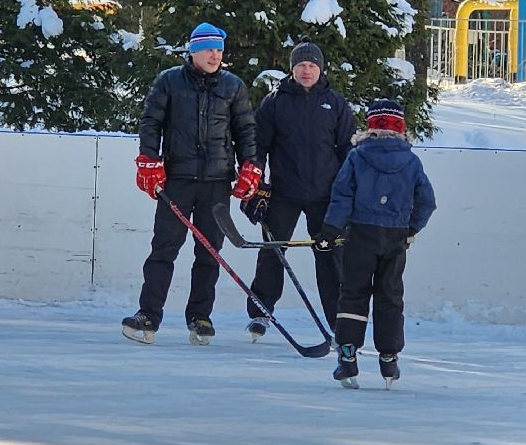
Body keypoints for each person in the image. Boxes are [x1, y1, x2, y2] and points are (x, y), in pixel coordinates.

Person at [123, 21, 261, 346]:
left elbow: (245, 131)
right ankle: (148, 314)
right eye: (209, 49)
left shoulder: (233, 86)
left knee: (209, 252)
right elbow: (151, 121)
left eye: (219, 50)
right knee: (164, 249)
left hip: (216, 182)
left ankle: (200, 316)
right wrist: (148, 159)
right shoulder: (169, 81)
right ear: (194, 51)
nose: (215, 55)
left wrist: (251, 167)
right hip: (177, 180)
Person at [316, 99, 436, 388]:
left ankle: (347, 355)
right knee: (390, 295)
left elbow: (342, 196)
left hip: (360, 235)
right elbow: (427, 202)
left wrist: (329, 231)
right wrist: (410, 228)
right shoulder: (411, 161)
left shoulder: (357, 157)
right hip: (394, 237)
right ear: (400, 128)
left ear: (370, 127)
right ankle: (389, 356)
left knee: (354, 293)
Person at [242, 40, 355, 340]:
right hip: (283, 192)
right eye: (301, 65)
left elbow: (347, 150)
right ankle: (261, 312)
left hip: (325, 195)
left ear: (321, 69)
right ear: (292, 69)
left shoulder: (336, 103)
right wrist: (257, 186)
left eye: (312, 65)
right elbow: (259, 146)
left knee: (330, 256)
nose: (307, 71)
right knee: (272, 251)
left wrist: (349, 193)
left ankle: (338, 320)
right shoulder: (275, 101)